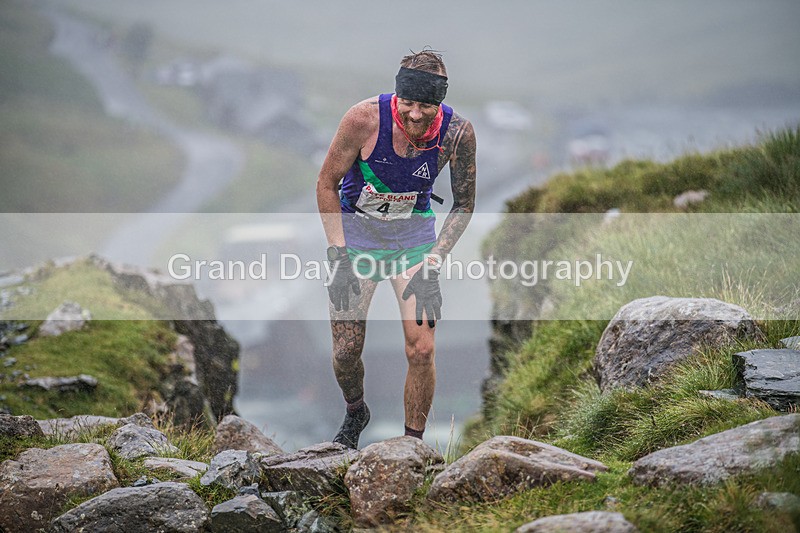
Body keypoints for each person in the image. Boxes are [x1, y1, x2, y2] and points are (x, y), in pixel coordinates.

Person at [316, 49, 476, 448]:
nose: (416, 114)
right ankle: (356, 411)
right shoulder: (363, 119)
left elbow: (465, 204)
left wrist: (434, 263)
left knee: (421, 347)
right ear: (396, 95)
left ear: (439, 102)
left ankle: (412, 446)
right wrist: (337, 254)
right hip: (357, 237)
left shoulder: (458, 134)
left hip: (414, 240)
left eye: (426, 105)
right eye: (407, 103)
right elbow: (325, 184)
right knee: (346, 353)